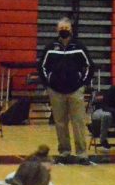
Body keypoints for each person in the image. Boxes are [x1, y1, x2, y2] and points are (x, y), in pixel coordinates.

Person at [38, 17, 93, 165]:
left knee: (78, 122)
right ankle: (64, 151)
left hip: (75, 91)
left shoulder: (79, 47)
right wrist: (48, 84)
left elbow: (89, 66)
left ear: (71, 30)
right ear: (57, 30)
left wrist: (82, 83)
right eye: (61, 28)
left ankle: (82, 154)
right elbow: (42, 67)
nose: (64, 31)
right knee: (60, 123)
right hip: (56, 91)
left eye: (66, 28)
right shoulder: (50, 47)